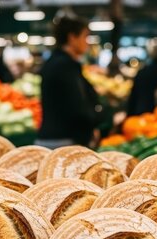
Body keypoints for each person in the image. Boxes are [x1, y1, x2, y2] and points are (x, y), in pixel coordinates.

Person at [37, 16, 106, 149]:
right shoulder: (64, 66)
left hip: (58, 139)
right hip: (62, 142)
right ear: (72, 37)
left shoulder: (58, 63)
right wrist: (97, 120)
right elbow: (76, 106)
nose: (88, 42)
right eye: (85, 36)